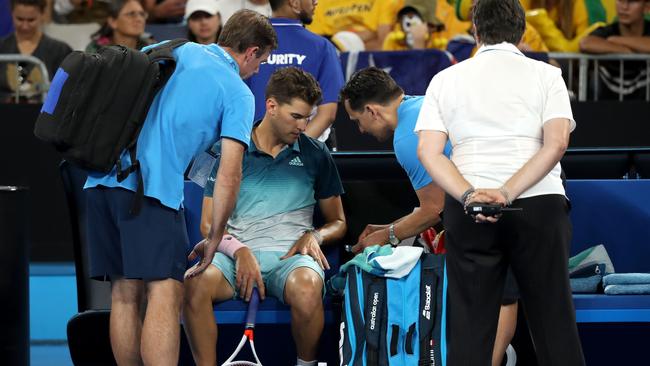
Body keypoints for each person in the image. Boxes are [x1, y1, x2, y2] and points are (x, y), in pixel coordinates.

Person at [83, 10, 277, 365]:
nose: (258, 70)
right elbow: (230, 173)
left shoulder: (172, 47)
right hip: (150, 192)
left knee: (125, 293)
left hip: (101, 179)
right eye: (261, 61)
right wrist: (217, 235)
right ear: (250, 52)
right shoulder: (239, 92)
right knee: (166, 293)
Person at [416, 0, 585, 364]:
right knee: (554, 321)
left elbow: (429, 152)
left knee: (469, 325)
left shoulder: (445, 79)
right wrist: (506, 193)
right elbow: (557, 143)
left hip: (469, 208)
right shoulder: (547, 75)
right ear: (523, 33)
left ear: (476, 32)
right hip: (538, 204)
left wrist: (470, 194)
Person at [339, 66, 519, 366]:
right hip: (507, 194)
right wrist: (389, 227)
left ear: (372, 111)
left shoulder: (408, 136)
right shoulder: (422, 106)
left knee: (501, 293)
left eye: (358, 121)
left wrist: (387, 235)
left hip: (502, 201)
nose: (361, 131)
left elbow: (434, 209)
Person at [183, 67, 346, 366]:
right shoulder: (225, 150)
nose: (303, 125)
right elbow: (207, 225)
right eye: (296, 116)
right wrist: (240, 250)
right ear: (271, 106)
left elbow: (338, 222)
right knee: (194, 283)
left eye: (308, 117)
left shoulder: (316, 153)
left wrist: (316, 235)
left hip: (289, 258)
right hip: (231, 257)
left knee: (308, 288)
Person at [245, 0, 344, 142]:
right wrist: (294, 152)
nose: (315, 2)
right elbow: (327, 113)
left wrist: (259, 149)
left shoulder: (249, 44)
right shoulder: (322, 47)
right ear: (294, 3)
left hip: (253, 149)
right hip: (302, 156)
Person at [0, 0, 72, 102]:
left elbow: (68, 93)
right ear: (11, 14)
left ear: (43, 15)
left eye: (31, 20)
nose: (25, 26)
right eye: (19, 19)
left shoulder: (60, 51)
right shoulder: (2, 47)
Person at [579, 0, 650, 100]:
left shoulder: (611, 37)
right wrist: (626, 50)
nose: (624, 7)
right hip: (607, 103)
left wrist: (615, 40)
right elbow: (585, 43)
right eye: (620, 1)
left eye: (632, 2)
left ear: (647, 7)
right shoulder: (607, 30)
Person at [307, 0, 398, 50]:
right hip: (334, 55)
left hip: (373, 64)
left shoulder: (385, 2)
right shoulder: (321, 3)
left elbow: (383, 44)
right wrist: (370, 34)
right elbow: (316, 46)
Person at [85, 0, 154, 53]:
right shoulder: (96, 50)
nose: (139, 19)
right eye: (131, 14)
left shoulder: (151, 47)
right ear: (112, 22)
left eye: (142, 14)